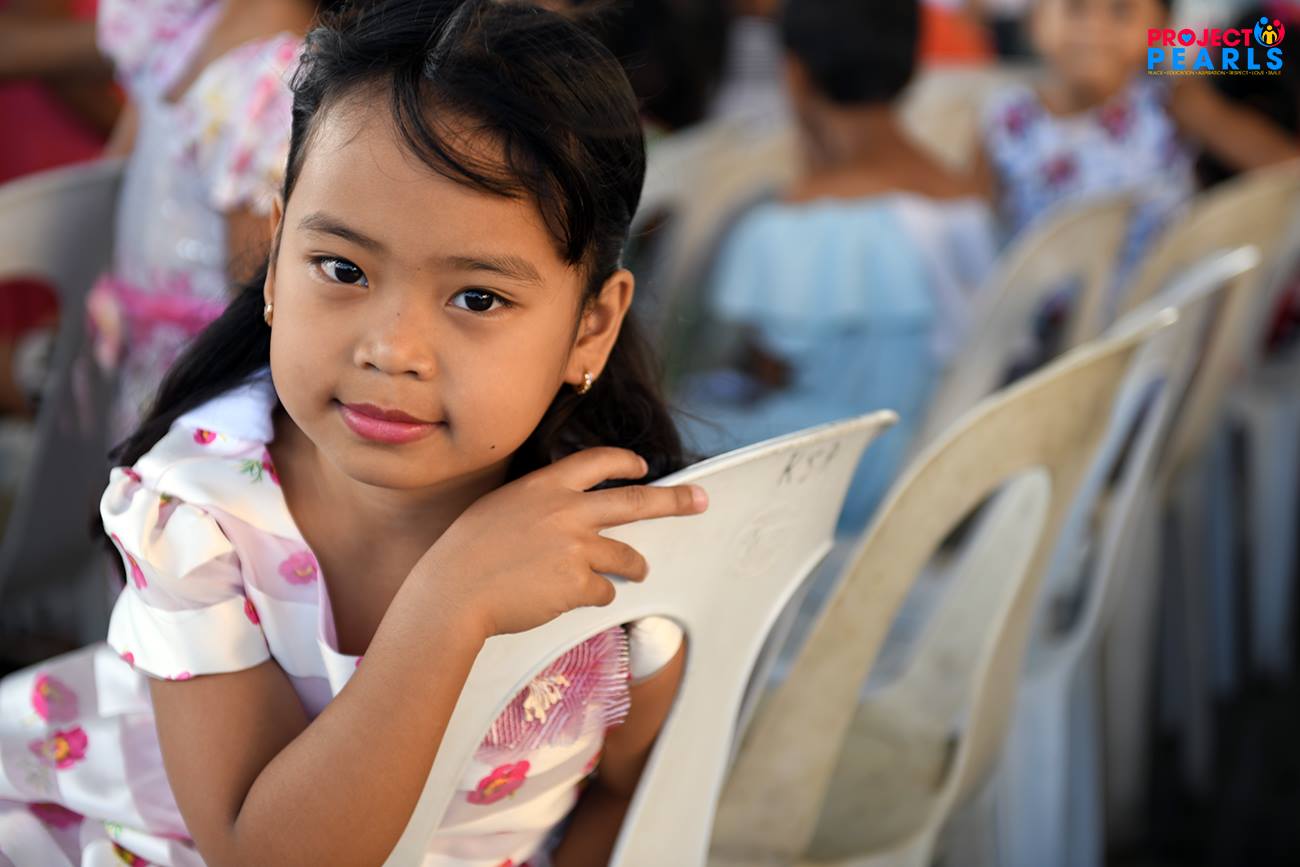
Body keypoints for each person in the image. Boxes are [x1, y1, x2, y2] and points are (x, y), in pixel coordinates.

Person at [0, 2, 709, 865]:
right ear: (274, 261)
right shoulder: (200, 509)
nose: (391, 349)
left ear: (590, 328)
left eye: (477, 297)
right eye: (342, 268)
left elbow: (632, 789)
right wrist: (447, 604)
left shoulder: (620, 544)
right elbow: (262, 852)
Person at [680, 0, 997, 531]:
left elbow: (768, 374)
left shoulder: (786, 224)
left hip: (828, 483)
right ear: (910, 67)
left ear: (794, 73)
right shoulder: (969, 201)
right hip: (941, 468)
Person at [88, 0, 334, 441]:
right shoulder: (185, 34)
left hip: (203, 393)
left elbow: (255, 308)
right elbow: (110, 184)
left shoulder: (272, 82)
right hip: (143, 360)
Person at [975, 0, 1300, 278]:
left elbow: (1283, 165)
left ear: (1159, 26)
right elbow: (972, 222)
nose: (1094, 28)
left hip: (1156, 318)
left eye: (1121, 11)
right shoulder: (1006, 118)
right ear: (1034, 19)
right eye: (1076, 7)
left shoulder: (1170, 101)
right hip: (1038, 318)